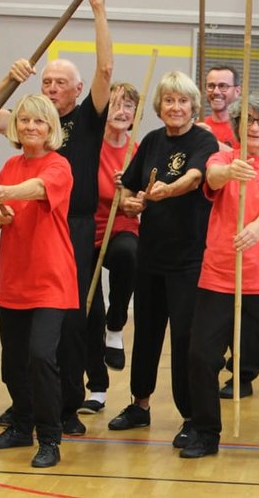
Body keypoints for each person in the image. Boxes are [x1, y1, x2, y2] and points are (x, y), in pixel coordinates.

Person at [0, 0, 113, 435]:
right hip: (26, 227)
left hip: (74, 228)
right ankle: (27, 407)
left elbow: (105, 70)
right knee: (23, 329)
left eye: (61, 83)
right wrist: (10, 79)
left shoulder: (88, 118)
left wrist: (98, 11)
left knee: (70, 323)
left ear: (76, 89)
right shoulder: (28, 123)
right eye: (47, 81)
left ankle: (66, 407)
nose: (52, 88)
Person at [183, 92, 259, 463]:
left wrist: (256, 227)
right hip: (220, 276)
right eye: (247, 120)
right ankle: (205, 433)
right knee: (201, 356)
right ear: (236, 125)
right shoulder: (223, 159)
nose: (254, 127)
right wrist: (230, 171)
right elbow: (213, 177)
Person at [110, 71, 220, 448]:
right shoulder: (152, 141)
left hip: (189, 259)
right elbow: (128, 188)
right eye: (169, 100)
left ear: (193, 106)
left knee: (185, 338)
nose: (175, 107)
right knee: (146, 333)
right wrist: (130, 202)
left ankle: (190, 416)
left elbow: (194, 178)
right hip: (151, 256)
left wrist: (164, 191)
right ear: (159, 107)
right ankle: (139, 405)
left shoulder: (204, 140)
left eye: (182, 101)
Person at [0, 94, 78, 469]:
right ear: (16, 127)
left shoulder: (59, 165)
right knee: (13, 363)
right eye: (24, 121)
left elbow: (38, 189)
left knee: (40, 356)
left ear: (50, 127)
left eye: (38, 121)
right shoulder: (9, 166)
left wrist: (5, 193)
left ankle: (50, 437)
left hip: (51, 279)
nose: (30, 127)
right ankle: (21, 426)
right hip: (14, 280)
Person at [80, 81, 144, 415]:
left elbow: (140, 201)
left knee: (128, 254)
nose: (121, 111)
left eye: (128, 106)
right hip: (87, 229)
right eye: (115, 104)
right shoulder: (89, 144)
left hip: (121, 225)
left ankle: (116, 325)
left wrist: (129, 193)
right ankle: (97, 388)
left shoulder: (137, 150)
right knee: (89, 307)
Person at [199, 65, 241, 151]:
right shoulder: (199, 125)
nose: (216, 92)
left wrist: (210, 141)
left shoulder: (246, 128)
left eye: (223, 86)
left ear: (237, 91)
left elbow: (249, 159)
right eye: (211, 86)